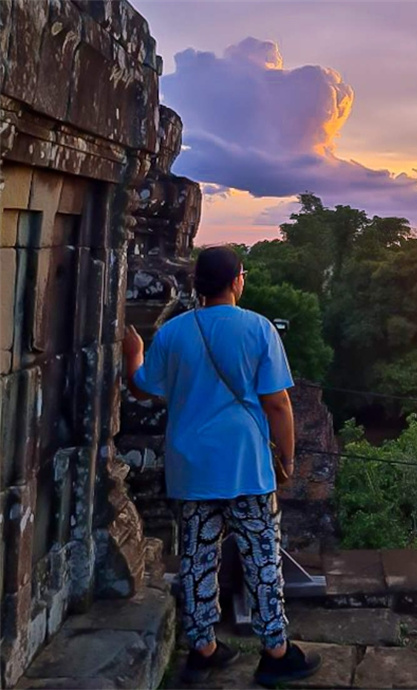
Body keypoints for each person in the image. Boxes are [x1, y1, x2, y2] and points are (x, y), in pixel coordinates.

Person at [122, 246, 321, 686]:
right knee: (261, 557)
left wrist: (133, 352)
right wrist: (287, 455)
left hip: (192, 466)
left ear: (197, 286)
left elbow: (143, 389)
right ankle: (275, 650)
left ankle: (204, 647)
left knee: (197, 556)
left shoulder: (174, 333)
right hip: (245, 466)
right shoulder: (258, 329)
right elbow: (277, 403)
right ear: (237, 281)